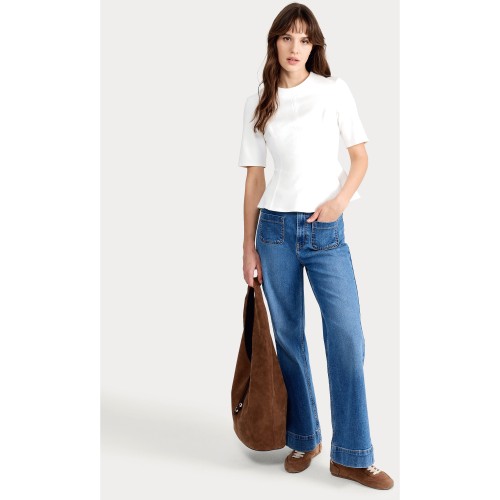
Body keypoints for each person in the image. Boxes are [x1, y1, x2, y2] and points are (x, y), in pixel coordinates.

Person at [237, 3, 394, 491]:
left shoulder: (333, 91)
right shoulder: (259, 100)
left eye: (304, 39)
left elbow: (361, 157)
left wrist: (339, 203)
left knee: (347, 337)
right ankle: (304, 439)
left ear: (314, 46)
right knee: (289, 339)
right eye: (287, 37)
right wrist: (247, 247)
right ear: (274, 42)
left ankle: (353, 456)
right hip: (275, 233)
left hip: (326, 232)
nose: (295, 47)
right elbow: (255, 179)